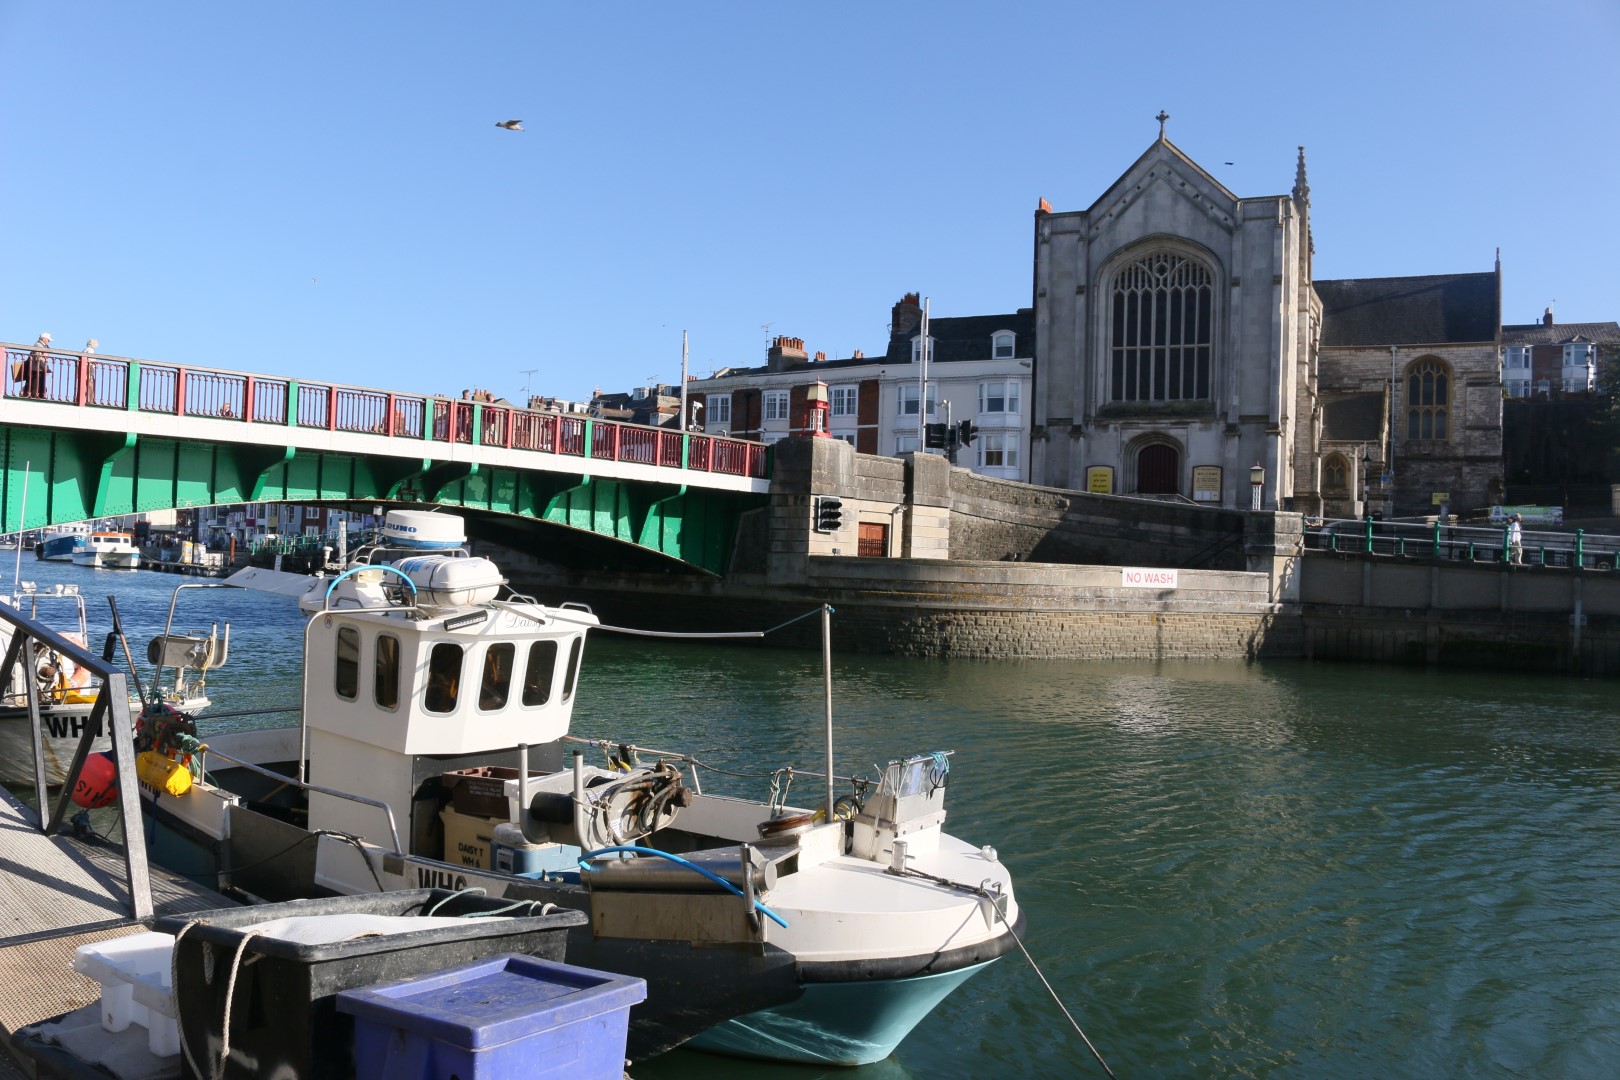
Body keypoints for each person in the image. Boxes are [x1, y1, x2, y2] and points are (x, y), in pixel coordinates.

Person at [16, 333, 51, 399]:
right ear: (43, 339)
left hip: (39, 368)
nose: (48, 342)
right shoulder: (39, 345)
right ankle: (34, 396)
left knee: (38, 384)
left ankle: (38, 396)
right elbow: (38, 358)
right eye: (48, 340)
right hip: (36, 369)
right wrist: (45, 368)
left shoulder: (42, 346)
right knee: (35, 384)